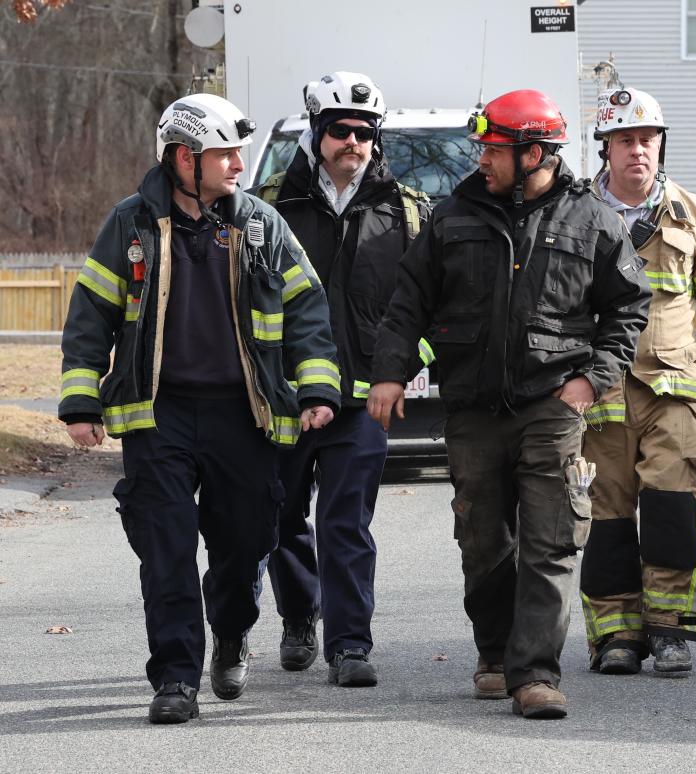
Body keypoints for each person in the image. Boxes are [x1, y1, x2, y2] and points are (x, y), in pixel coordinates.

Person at [367, 89, 650, 719]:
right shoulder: (453, 215)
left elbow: (629, 306)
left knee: (549, 541)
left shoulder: (590, 219)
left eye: (493, 149)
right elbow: (409, 299)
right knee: (483, 540)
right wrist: (390, 373)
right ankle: (494, 655)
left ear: (534, 153)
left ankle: (535, 676)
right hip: (471, 408)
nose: (482, 159)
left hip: (552, 403)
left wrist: (593, 379)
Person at [58, 93, 341, 724]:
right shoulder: (130, 225)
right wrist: (81, 399)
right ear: (184, 159)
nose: (238, 163)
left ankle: (232, 631)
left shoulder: (264, 226)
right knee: (168, 552)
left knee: (246, 543)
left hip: (245, 416)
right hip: (155, 418)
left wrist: (317, 389)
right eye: (224, 153)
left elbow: (309, 314)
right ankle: (176, 680)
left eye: (239, 151)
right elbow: (89, 317)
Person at [255, 72, 430, 687]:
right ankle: (300, 618)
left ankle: (350, 645)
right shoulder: (270, 206)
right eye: (339, 130)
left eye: (363, 131)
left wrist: (401, 369)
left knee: (345, 524)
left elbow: (423, 304)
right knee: (279, 519)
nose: (352, 141)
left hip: (362, 400)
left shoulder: (405, 210)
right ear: (317, 131)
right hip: (285, 400)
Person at [579, 87, 696, 676]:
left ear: (661, 145)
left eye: (647, 139)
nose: (638, 151)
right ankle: (614, 636)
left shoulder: (691, 213)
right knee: (606, 515)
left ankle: (666, 629)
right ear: (605, 148)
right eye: (625, 140)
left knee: (670, 507)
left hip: (676, 383)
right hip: (602, 389)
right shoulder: (577, 213)